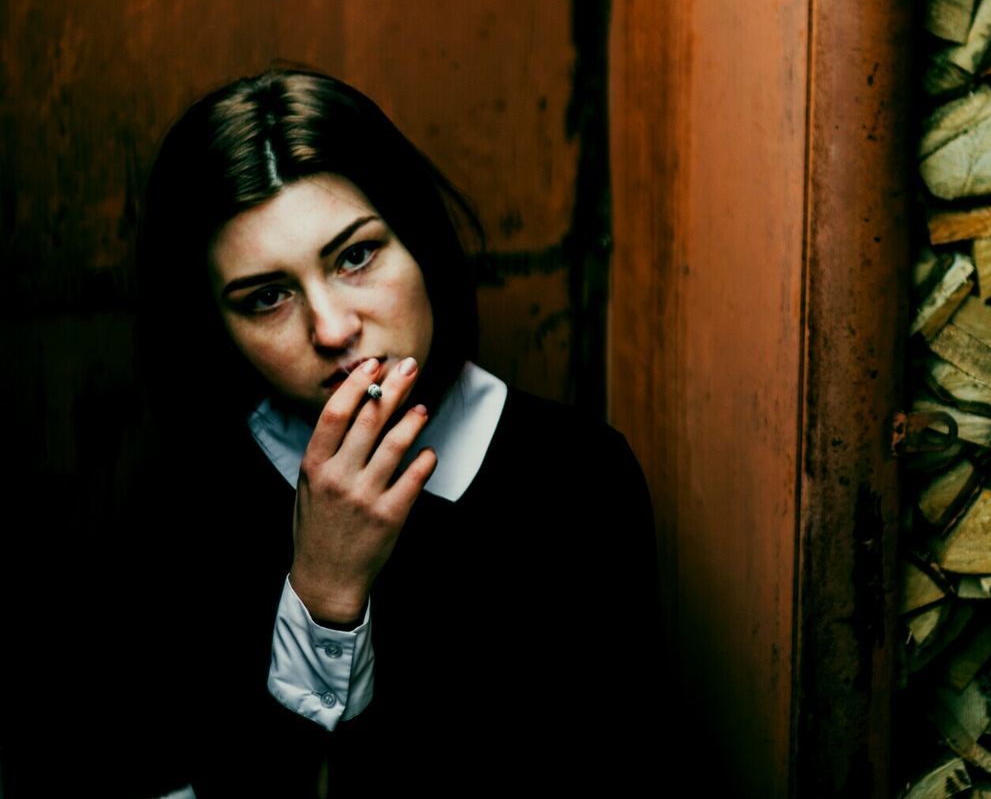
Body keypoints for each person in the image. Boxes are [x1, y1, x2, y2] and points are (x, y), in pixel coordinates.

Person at [90, 69, 657, 797]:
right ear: (219, 327)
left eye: (356, 255)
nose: (331, 328)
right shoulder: (185, 507)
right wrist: (323, 593)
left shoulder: (577, 474)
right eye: (267, 297)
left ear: (417, 241)